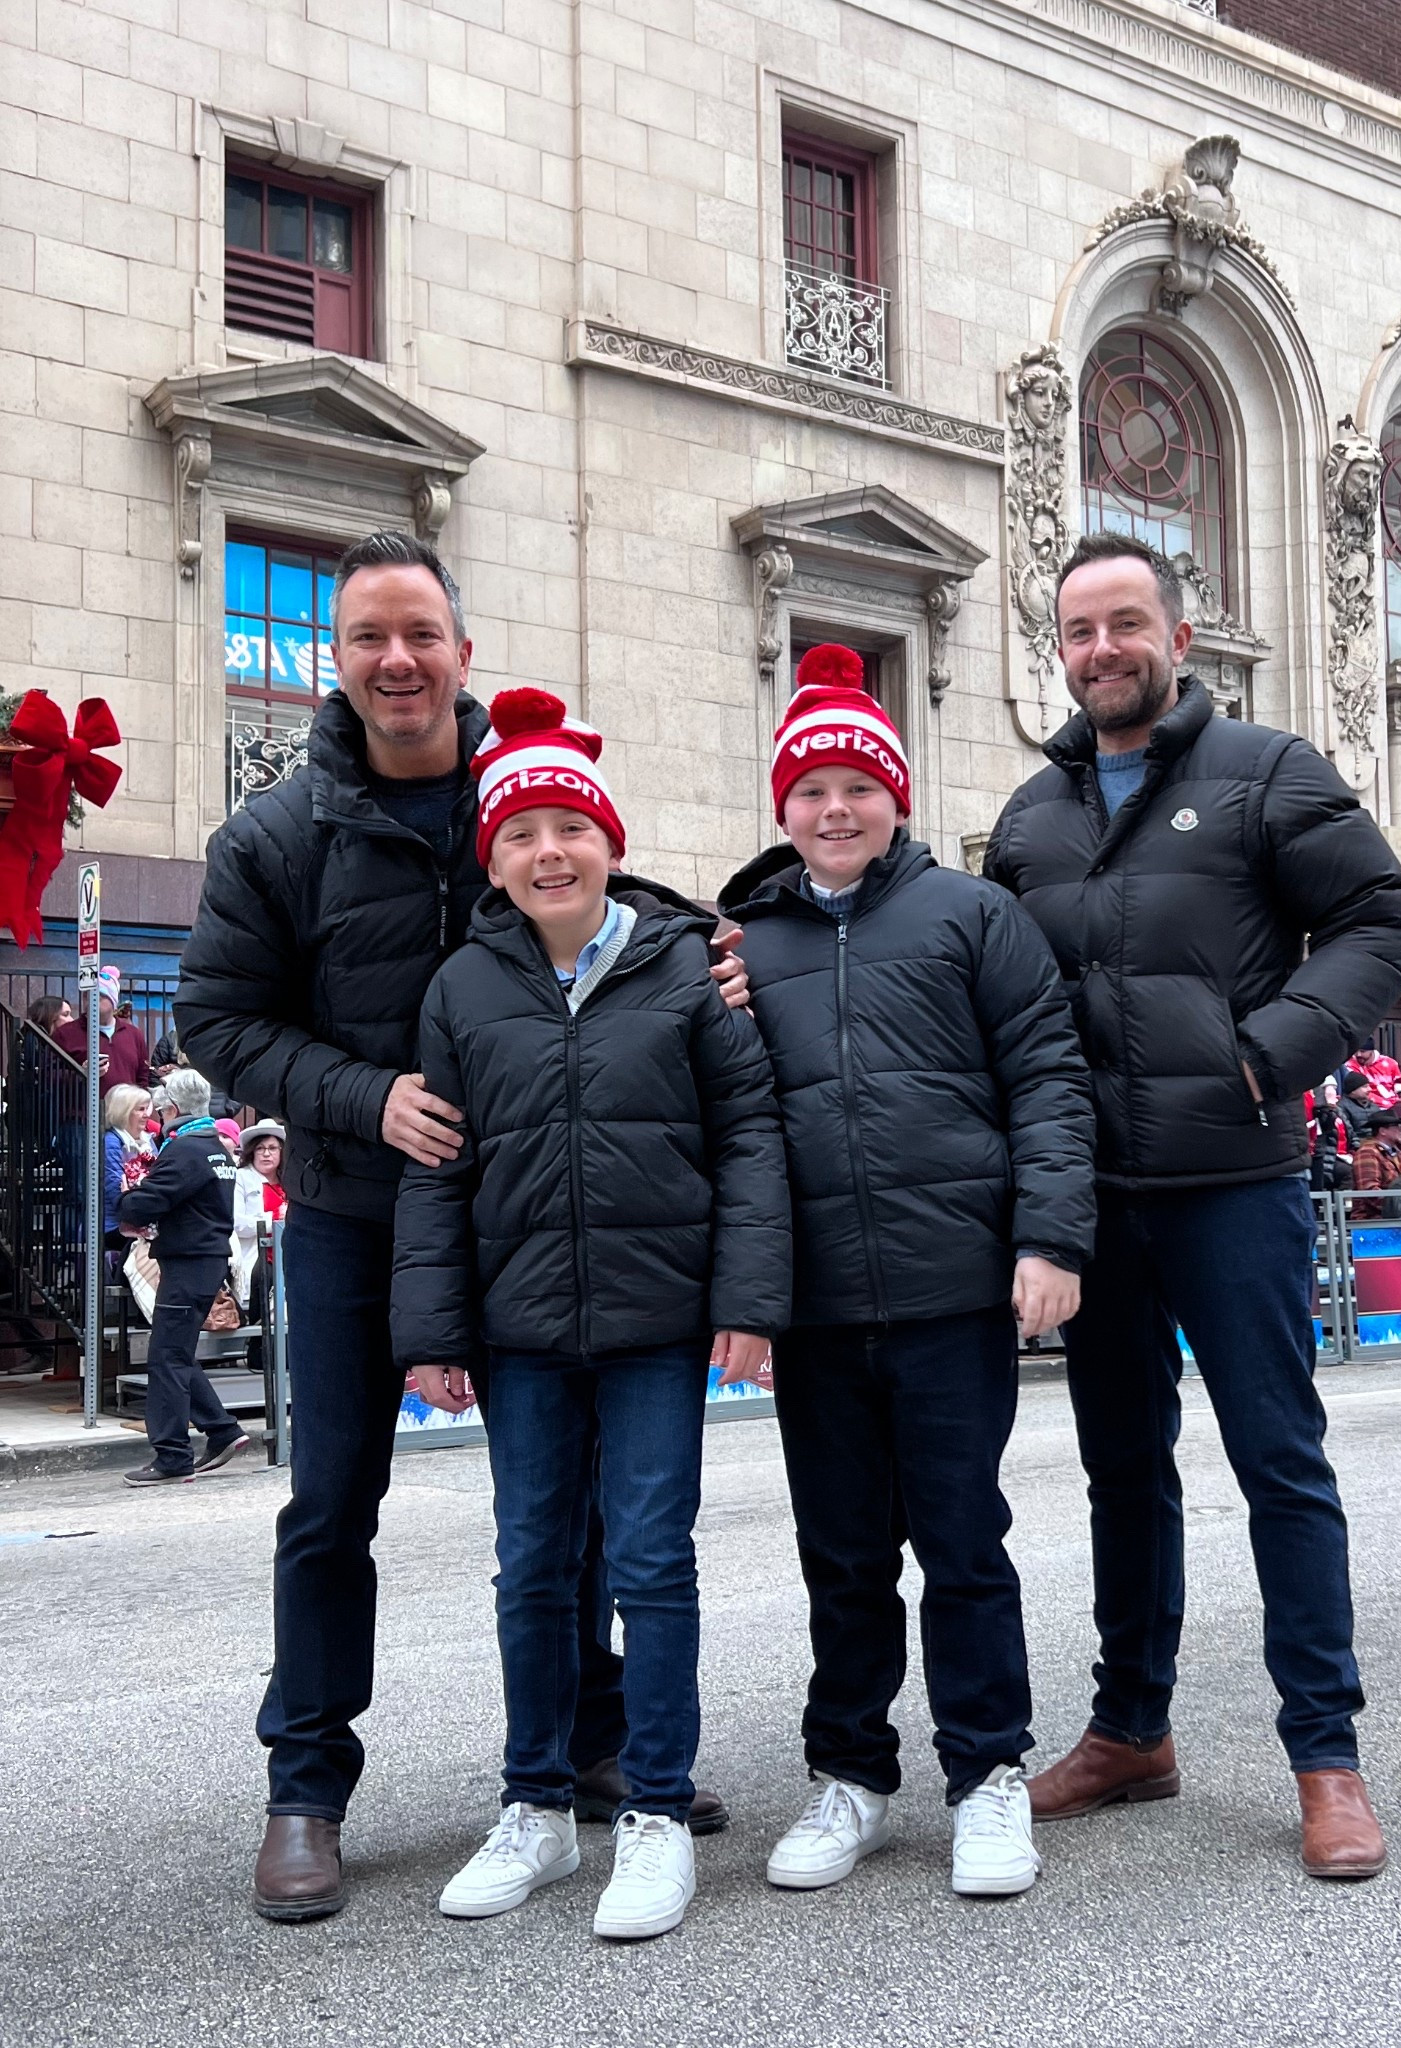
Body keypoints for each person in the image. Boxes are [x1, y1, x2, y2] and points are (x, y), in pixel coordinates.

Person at [175, 530, 734, 1924]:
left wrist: (713, 946)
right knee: (331, 1502)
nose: (397, 660)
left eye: (420, 633)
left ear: (462, 651)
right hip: (357, 1214)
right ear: (337, 658)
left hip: (536, 1210)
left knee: (569, 1501)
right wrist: (366, 1099)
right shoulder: (273, 837)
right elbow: (218, 1020)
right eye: (368, 636)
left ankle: (590, 1738)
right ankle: (306, 1784)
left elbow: (598, 891)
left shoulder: (521, 787)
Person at [984, 531, 1401, 1882]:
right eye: (1078, 630)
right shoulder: (1027, 819)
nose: (1101, 649)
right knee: (1122, 1471)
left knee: (1279, 1463)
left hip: (1233, 1180)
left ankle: (1326, 1757)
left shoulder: (1268, 769)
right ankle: (1132, 1729)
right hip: (1095, 1198)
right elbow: (976, 989)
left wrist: (1266, 1054)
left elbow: (1379, 918)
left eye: (1125, 623)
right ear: (1058, 650)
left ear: (1177, 635)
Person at [392, 689, 789, 1941]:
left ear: (609, 841)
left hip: (658, 1326)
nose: (547, 851)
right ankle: (537, 1800)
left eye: (569, 826)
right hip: (522, 1334)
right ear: (494, 860)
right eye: (520, 833)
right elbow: (439, 1167)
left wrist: (748, 1303)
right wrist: (433, 1332)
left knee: (653, 1561)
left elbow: (749, 1137)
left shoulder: (688, 970)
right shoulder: (462, 986)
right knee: (532, 1566)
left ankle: (656, 1805)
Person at [719, 649, 1096, 1904]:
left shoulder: (973, 916)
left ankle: (986, 1768)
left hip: (950, 1290)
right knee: (841, 1552)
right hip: (819, 1305)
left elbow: (1047, 1078)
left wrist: (1050, 1237)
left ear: (897, 797)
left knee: (963, 1539)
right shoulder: (748, 941)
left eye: (859, 787)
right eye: (811, 789)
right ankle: (850, 1772)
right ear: (784, 806)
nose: (836, 808)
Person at [113, 1067, 251, 1486]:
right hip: (205, 1260)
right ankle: (222, 1429)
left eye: (160, 1109)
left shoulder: (186, 1149)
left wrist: (128, 1201)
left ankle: (172, 1455)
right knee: (176, 1352)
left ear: (172, 1108)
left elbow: (149, 1201)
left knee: (166, 1357)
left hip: (189, 1262)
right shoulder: (214, 1147)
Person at [54, 965, 152, 1097]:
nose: (91, 1000)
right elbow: (48, 1076)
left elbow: (143, 1076)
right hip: (81, 1108)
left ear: (113, 1001)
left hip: (125, 1108)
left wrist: (140, 1103)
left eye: (98, 995)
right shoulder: (65, 1034)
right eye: (86, 995)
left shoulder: (134, 1035)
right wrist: (81, 1073)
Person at [232, 1119, 287, 1309]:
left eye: (272, 1148)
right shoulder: (241, 1178)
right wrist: (275, 1219)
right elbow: (237, 1223)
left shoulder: (290, 1181)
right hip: (258, 1264)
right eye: (260, 1148)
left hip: (289, 1260)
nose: (266, 1154)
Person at [102, 1083, 154, 1227]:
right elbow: (116, 1189)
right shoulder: (111, 1141)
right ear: (123, 1112)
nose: (147, 1115)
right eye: (141, 1109)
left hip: (143, 1216)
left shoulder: (147, 1139)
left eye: (147, 1108)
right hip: (116, 1224)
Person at [1348, 1110, 1401, 1222]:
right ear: (1382, 1131)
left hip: (1396, 1218)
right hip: (1370, 1221)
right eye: (1396, 1126)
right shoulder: (1367, 1152)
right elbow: (1370, 1191)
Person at [1344, 1035, 1401, 1110]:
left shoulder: (1390, 1063)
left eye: (1362, 1051)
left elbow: (1400, 1087)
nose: (1358, 1054)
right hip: (1368, 1107)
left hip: (1395, 1105)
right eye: (1356, 1051)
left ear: (1371, 1050)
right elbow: (1359, 1091)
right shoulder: (1350, 1065)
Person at [1337, 1068, 1375, 1154]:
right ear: (1353, 1090)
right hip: (1358, 1148)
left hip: (1375, 1144)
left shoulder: (1373, 1106)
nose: (1369, 1089)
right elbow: (1349, 1132)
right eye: (1365, 1087)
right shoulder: (1342, 1107)